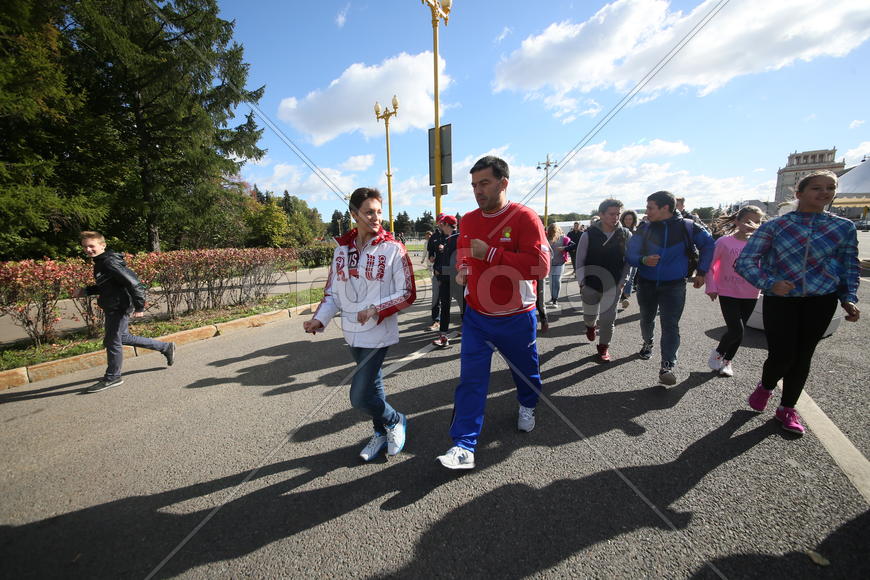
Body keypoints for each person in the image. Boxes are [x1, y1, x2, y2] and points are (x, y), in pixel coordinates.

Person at [436, 156, 549, 470]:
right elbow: (463, 255)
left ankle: (527, 404)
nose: (477, 190)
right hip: (477, 317)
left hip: (516, 316)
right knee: (471, 381)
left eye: (484, 183)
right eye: (474, 185)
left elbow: (540, 267)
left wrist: (494, 253)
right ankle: (463, 445)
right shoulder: (469, 220)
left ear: (503, 183)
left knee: (525, 373)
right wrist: (462, 269)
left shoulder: (525, 218)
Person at [735, 171, 860, 435]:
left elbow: (849, 265)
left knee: (803, 356)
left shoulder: (843, 227)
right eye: (817, 188)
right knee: (782, 355)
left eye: (830, 188)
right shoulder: (775, 226)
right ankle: (766, 386)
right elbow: (744, 262)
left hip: (821, 300)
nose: (824, 192)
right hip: (781, 300)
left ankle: (787, 409)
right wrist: (770, 283)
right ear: (799, 194)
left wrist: (848, 297)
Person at [304, 187, 416, 461]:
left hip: (378, 332)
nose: (376, 217)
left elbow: (408, 293)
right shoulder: (341, 250)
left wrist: (375, 308)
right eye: (368, 212)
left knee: (359, 397)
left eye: (379, 212)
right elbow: (332, 292)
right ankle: (380, 433)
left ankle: (395, 419)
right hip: (352, 333)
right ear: (354, 214)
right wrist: (320, 319)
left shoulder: (393, 249)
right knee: (373, 387)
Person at [626, 191, 715, 385]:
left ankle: (667, 365)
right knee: (646, 318)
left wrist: (702, 271)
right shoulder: (644, 228)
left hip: (675, 284)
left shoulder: (689, 226)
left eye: (650, 207)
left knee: (670, 325)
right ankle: (647, 343)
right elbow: (629, 255)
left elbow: (709, 245)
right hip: (646, 283)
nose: (647, 211)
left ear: (665, 208)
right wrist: (643, 259)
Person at [73, 231, 176, 393]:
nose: (88, 249)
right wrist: (86, 290)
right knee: (123, 337)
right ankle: (165, 347)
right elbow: (108, 285)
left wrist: (139, 306)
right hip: (113, 304)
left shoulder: (108, 262)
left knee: (113, 341)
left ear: (102, 245)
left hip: (119, 306)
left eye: (91, 246)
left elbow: (133, 283)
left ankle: (113, 377)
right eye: (85, 247)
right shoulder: (101, 262)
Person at [705, 206, 765, 378]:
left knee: (740, 330)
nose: (752, 225)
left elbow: (767, 266)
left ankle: (727, 362)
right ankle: (718, 352)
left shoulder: (760, 244)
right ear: (737, 221)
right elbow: (709, 265)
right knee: (736, 330)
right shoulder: (724, 242)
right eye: (748, 221)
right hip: (727, 291)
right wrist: (711, 287)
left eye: (757, 222)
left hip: (751, 292)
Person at [575, 199, 633, 362]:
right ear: (601, 215)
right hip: (590, 284)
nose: (615, 217)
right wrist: (582, 282)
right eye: (611, 214)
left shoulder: (626, 234)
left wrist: (623, 280)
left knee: (608, 320)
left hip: (613, 285)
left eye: (618, 214)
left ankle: (603, 348)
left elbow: (629, 261)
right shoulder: (589, 234)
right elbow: (580, 260)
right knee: (589, 315)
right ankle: (590, 326)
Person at [432, 214, 464, 347]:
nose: (440, 227)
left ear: (446, 224)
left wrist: (439, 269)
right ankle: (468, 333)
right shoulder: (454, 238)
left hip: (451, 279)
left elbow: (454, 263)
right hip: (456, 279)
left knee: (446, 308)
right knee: (463, 308)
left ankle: (444, 337)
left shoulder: (454, 239)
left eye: (442, 224)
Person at [546, 224, 575, 305]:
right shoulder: (546, 238)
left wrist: (564, 248)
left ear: (558, 230)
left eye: (554, 231)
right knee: (552, 282)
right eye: (551, 231)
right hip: (550, 263)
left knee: (557, 281)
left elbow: (573, 245)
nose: (553, 233)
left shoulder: (564, 238)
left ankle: (555, 300)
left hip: (560, 263)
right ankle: (552, 298)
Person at [425, 225, 446, 331]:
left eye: (444, 222)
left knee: (459, 299)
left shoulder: (453, 235)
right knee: (436, 298)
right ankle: (436, 321)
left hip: (452, 273)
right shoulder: (434, 237)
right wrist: (431, 257)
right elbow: (431, 252)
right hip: (437, 272)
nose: (441, 224)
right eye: (440, 222)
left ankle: (465, 324)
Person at [619, 210, 640, 308]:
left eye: (630, 219)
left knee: (631, 277)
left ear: (634, 220)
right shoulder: (620, 230)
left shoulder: (638, 231)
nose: (628, 221)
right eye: (626, 219)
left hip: (634, 257)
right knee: (622, 277)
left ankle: (625, 297)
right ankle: (621, 295)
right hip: (621, 258)